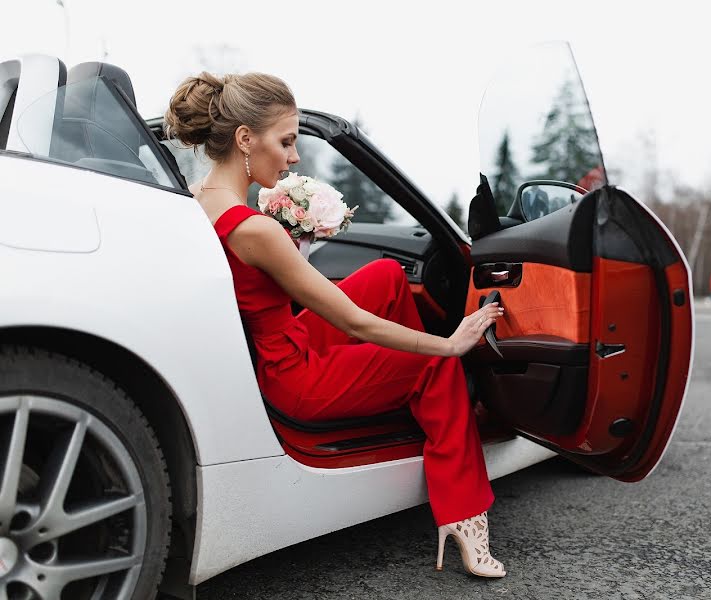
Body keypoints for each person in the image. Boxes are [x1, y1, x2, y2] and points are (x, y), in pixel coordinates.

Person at [165, 72, 507, 577]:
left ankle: (425, 412)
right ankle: (464, 514)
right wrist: (450, 344)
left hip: (278, 344)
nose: (294, 157)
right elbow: (353, 322)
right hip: (292, 375)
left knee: (389, 276)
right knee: (433, 362)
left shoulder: (193, 201)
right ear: (244, 139)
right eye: (285, 141)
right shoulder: (255, 228)